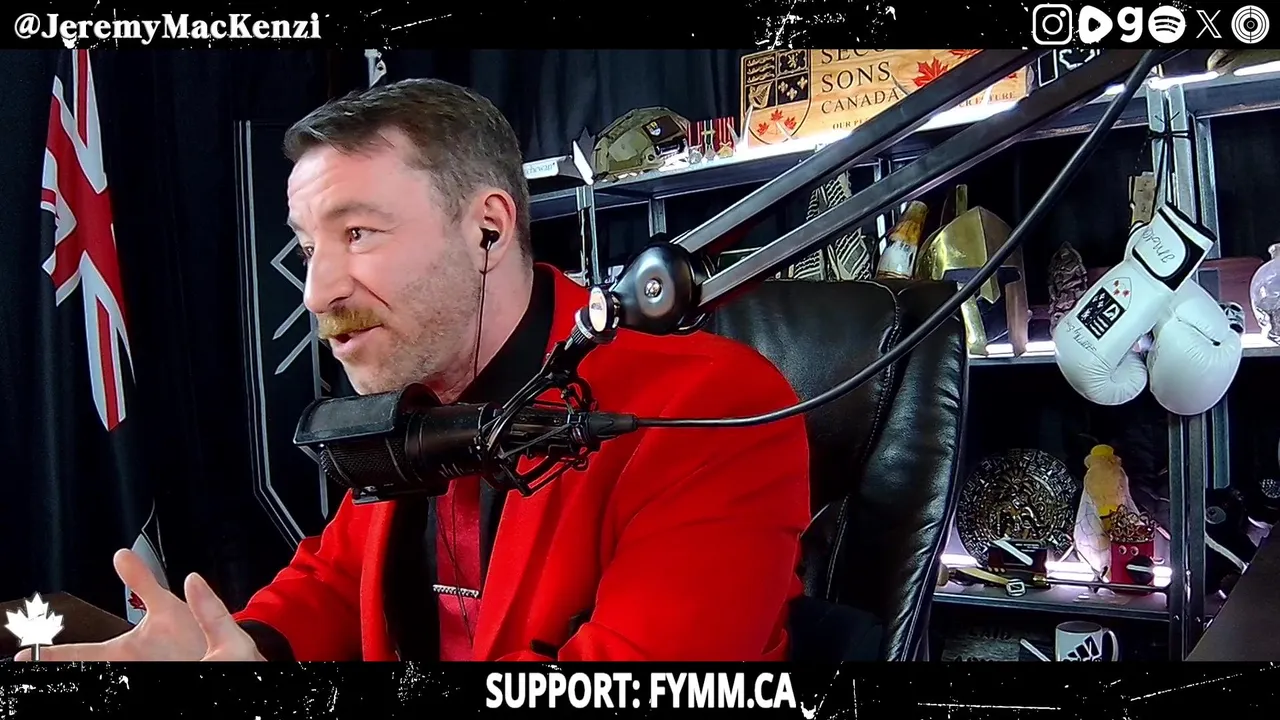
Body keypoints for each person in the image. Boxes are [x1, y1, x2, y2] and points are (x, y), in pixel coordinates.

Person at [18, 79, 811, 662]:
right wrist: (248, 647)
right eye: (308, 246)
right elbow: (335, 579)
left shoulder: (708, 406)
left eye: (357, 233)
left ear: (487, 230)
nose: (318, 291)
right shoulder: (418, 390)